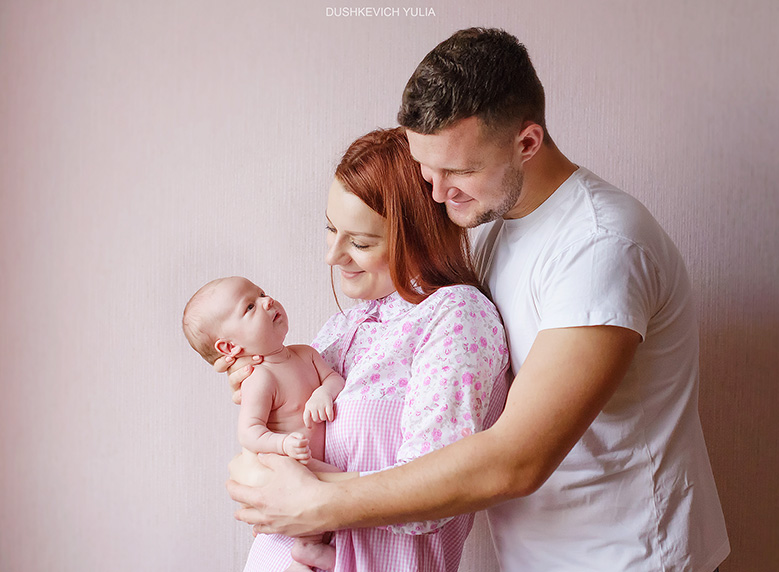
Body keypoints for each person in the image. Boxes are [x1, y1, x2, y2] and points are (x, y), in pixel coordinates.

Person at [225, 28, 730, 572]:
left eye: (459, 171)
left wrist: (314, 503)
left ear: (527, 142)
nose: (437, 193)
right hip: (537, 558)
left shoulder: (599, 248)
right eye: (427, 168)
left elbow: (517, 459)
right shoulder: (493, 229)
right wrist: (280, 377)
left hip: (630, 557)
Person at [221, 127, 510, 571]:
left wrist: (304, 497)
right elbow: (259, 465)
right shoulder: (341, 329)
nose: (333, 256)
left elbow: (437, 495)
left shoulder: (454, 316)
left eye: (359, 242)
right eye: (331, 229)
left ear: (418, 237)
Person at [183, 276, 344, 571]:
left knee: (338, 485)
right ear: (229, 346)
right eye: (249, 306)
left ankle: (313, 549)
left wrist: (324, 392)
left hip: (310, 463)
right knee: (337, 483)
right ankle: (307, 552)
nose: (267, 301)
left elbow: (334, 379)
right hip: (288, 465)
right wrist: (283, 443)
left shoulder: (306, 354)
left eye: (262, 293)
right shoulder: (260, 378)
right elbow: (249, 433)